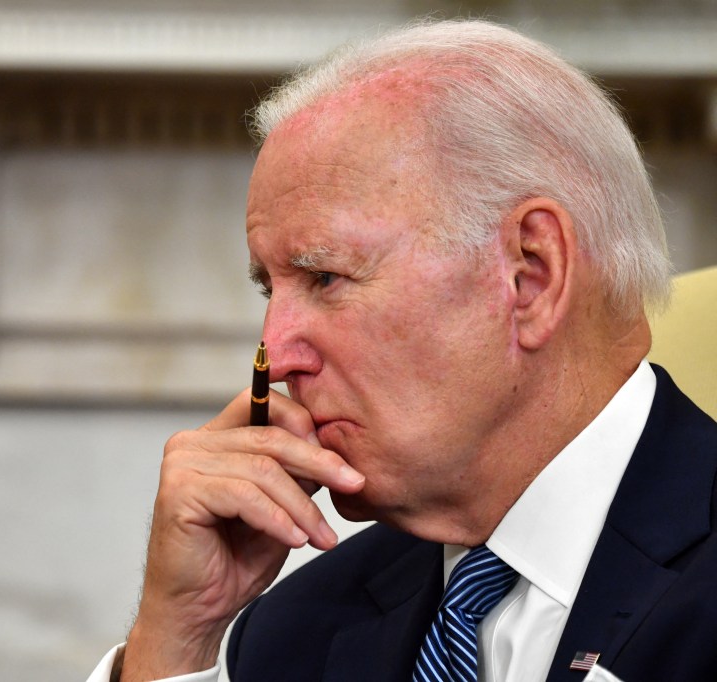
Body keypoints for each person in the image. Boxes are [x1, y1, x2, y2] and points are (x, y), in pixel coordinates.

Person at [88, 18, 717, 682]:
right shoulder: (291, 631)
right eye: (268, 289)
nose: (275, 352)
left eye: (325, 277)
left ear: (530, 274)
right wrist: (177, 636)